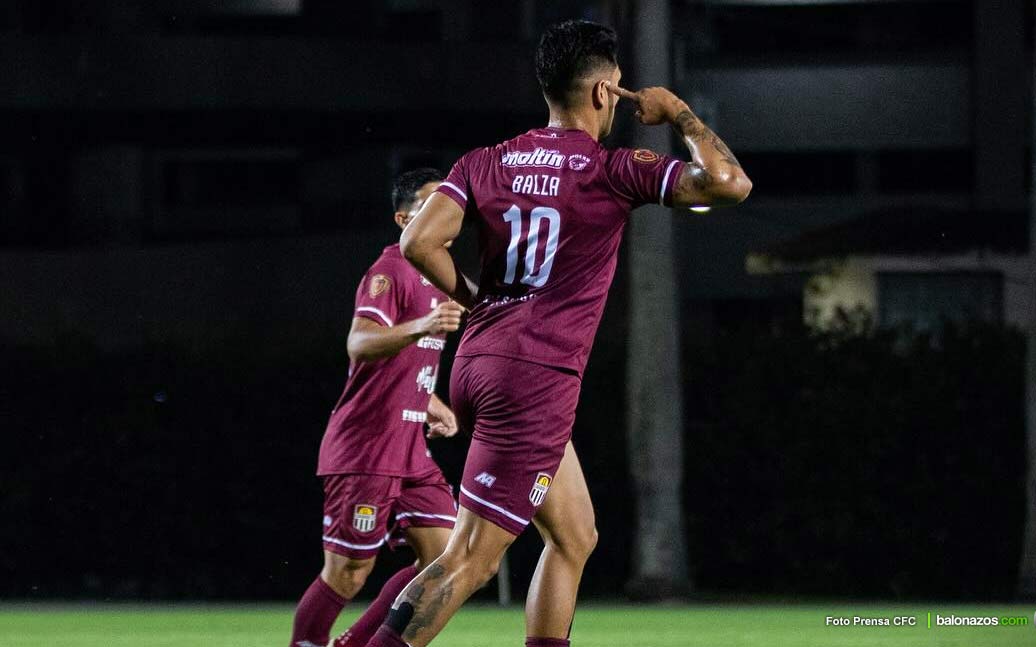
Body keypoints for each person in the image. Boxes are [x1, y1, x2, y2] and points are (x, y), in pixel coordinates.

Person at [365, 19, 751, 647]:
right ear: (604, 94)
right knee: (470, 560)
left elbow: (418, 241)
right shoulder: (612, 169)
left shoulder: (485, 161)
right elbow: (730, 184)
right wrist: (680, 115)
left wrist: (473, 296)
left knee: (574, 536)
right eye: (619, 89)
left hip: (477, 360)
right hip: (534, 377)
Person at [290, 168, 466, 647]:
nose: (447, 208)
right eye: (433, 201)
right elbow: (360, 342)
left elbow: (398, 367)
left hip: (409, 450)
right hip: (366, 446)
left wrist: (431, 402)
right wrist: (423, 324)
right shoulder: (391, 270)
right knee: (348, 572)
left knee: (446, 558)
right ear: (404, 217)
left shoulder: (439, 277)